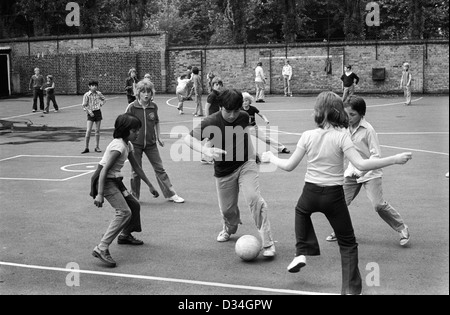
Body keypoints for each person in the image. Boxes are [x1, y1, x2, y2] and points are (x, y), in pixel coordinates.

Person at [261, 91, 412, 295]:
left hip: (310, 193)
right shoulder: (342, 137)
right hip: (333, 196)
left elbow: (288, 166)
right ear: (338, 112)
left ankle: (301, 252)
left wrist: (271, 157)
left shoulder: (307, 136)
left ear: (318, 112)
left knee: (301, 212)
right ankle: (350, 290)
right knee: (348, 244)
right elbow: (361, 163)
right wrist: (394, 159)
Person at [183, 89, 276, 258]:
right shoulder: (211, 121)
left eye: (236, 110)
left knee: (255, 199)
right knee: (227, 210)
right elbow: (188, 139)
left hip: (246, 164)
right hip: (224, 170)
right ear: (221, 107)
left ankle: (268, 243)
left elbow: (245, 134)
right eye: (228, 111)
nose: (232, 115)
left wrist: (254, 154)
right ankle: (229, 228)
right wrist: (205, 150)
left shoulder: (243, 116)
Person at [324, 96, 410, 246]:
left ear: (362, 114)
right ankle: (340, 231)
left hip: (370, 173)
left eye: (352, 114)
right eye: (346, 114)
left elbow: (376, 155)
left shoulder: (368, 130)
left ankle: (402, 228)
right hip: (351, 173)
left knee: (378, 205)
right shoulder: (343, 127)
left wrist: (362, 171)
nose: (348, 118)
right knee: (339, 203)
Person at [90, 113, 159, 268]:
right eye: (134, 131)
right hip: (105, 180)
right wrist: (100, 194)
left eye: (138, 130)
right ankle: (101, 247)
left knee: (134, 206)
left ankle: (125, 235)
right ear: (125, 130)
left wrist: (150, 185)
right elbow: (104, 170)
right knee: (124, 212)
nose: (137, 133)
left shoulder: (128, 144)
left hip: (115, 180)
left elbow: (136, 167)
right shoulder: (119, 146)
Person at [126, 79, 185, 203]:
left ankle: (170, 194)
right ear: (138, 93)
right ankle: (135, 196)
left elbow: (156, 122)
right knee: (136, 171)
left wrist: (159, 137)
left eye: (148, 92)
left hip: (151, 144)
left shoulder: (153, 107)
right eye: (143, 92)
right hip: (135, 144)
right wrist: (126, 141)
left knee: (159, 169)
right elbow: (125, 124)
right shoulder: (132, 107)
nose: (146, 94)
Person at [81, 80, 106, 154]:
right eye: (92, 85)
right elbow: (84, 105)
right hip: (90, 113)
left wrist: (100, 104)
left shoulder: (98, 93)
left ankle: (97, 147)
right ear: (89, 86)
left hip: (97, 112)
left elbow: (104, 99)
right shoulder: (87, 95)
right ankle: (86, 147)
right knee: (88, 130)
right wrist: (89, 111)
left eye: (95, 85)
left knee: (97, 130)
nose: (94, 87)